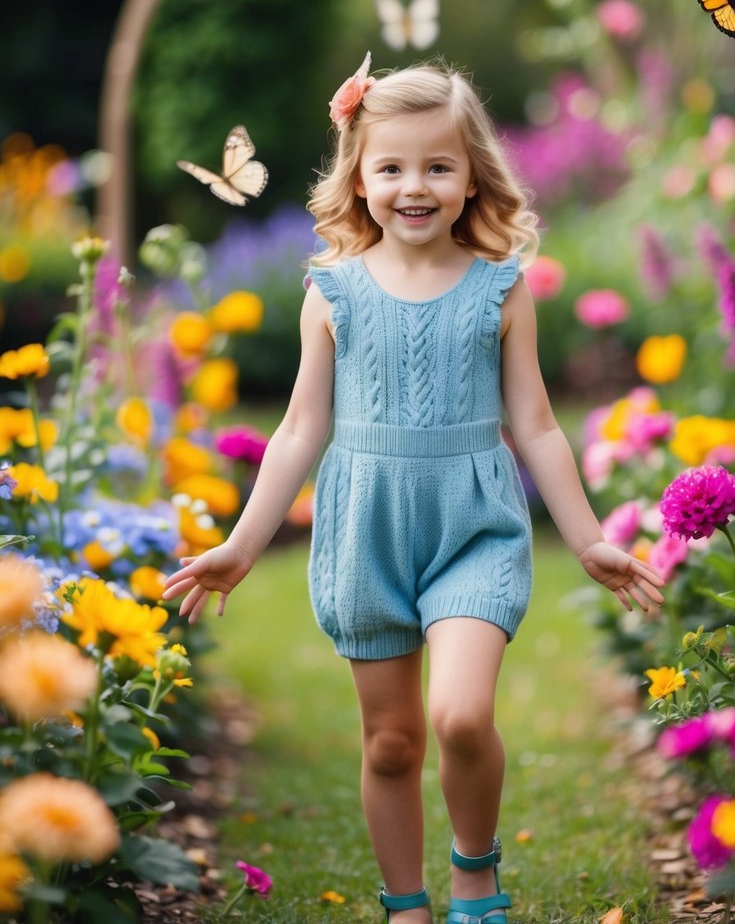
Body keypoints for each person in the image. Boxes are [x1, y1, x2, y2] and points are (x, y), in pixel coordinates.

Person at [162, 56, 665, 924]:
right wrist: (242, 545)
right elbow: (297, 430)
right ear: (359, 178)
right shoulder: (332, 293)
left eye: (437, 165)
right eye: (390, 167)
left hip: (473, 526)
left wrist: (585, 536)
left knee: (461, 716)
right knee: (391, 742)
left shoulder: (500, 289)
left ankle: (476, 871)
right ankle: (405, 904)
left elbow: (538, 424)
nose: (414, 186)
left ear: (473, 177)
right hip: (365, 533)